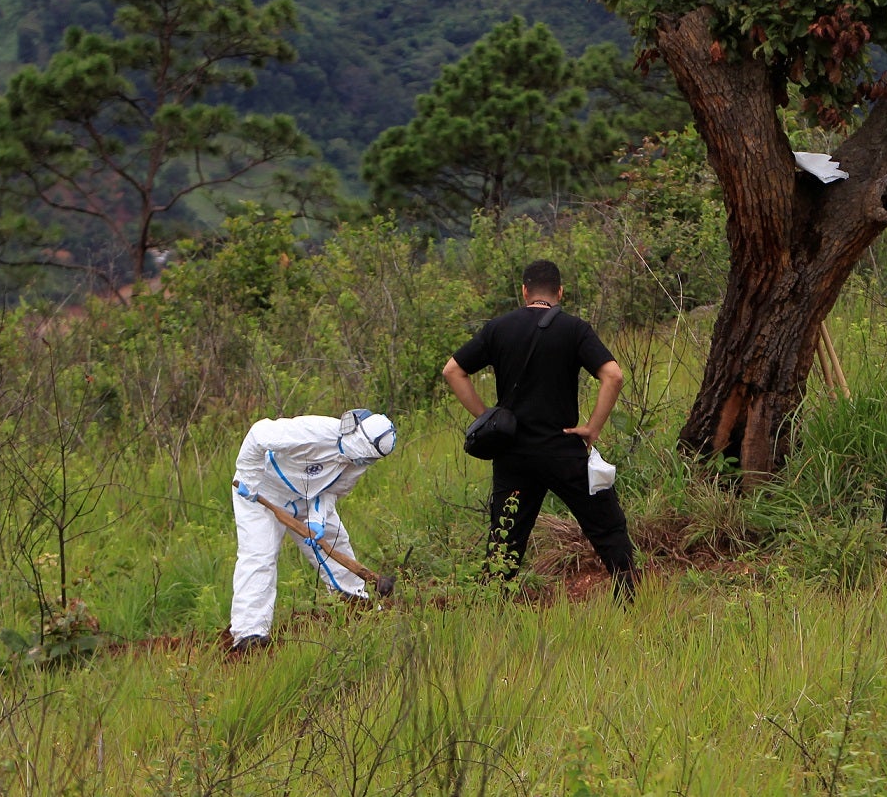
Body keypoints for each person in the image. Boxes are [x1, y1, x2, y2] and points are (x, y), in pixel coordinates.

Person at [442, 259, 637, 599]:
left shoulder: (498, 328)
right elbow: (613, 376)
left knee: (504, 541)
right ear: (559, 293)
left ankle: (491, 616)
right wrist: (592, 427)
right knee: (608, 528)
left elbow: (452, 371)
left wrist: (487, 415)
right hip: (563, 450)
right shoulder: (574, 329)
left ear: (524, 291)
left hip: (513, 454)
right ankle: (632, 601)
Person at [228, 408, 398, 652]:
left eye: (367, 461)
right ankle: (249, 634)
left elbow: (333, 491)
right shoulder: (312, 432)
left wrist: (316, 519)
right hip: (261, 493)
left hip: (309, 498)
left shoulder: (359, 460)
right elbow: (258, 435)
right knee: (259, 556)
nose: (361, 464)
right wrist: (250, 479)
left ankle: (355, 603)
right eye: (362, 458)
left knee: (337, 541)